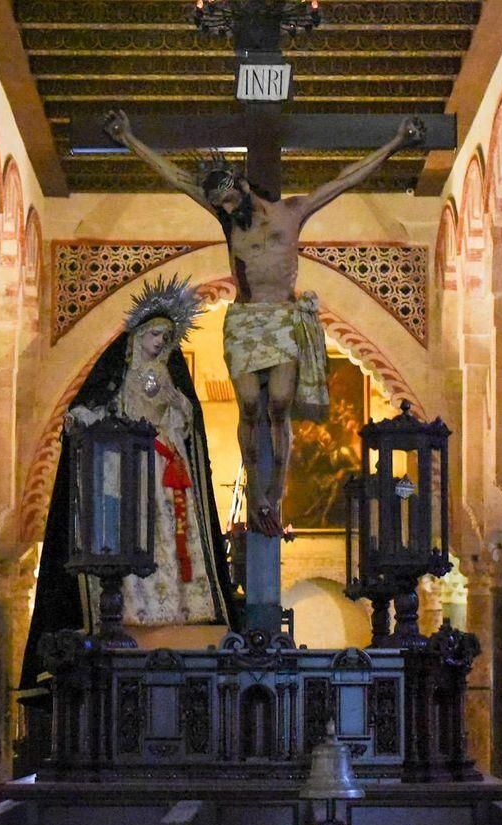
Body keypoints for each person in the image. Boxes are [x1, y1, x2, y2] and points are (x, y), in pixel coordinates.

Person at [103, 109, 424, 536]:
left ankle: (277, 492)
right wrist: (129, 139)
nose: (228, 209)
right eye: (221, 205)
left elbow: (346, 179)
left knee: (279, 405)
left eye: (231, 200)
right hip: (245, 321)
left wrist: (396, 142)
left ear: (241, 184)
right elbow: (177, 178)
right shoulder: (226, 221)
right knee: (251, 406)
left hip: (284, 319)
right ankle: (257, 494)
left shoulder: (292, 213)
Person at [19, 277, 239, 689]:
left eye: (165, 337)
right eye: (154, 334)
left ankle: (179, 606)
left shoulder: (170, 382)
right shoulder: (117, 378)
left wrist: (179, 411)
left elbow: (185, 424)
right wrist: (86, 419)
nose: (159, 343)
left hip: (165, 469)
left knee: (171, 536)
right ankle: (131, 605)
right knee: (134, 531)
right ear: (137, 335)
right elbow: (91, 409)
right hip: (131, 471)